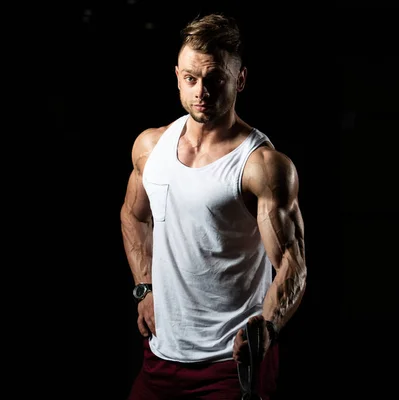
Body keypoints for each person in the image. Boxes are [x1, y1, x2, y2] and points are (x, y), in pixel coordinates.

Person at [120, 12, 307, 400]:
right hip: (162, 355)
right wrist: (144, 289)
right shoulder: (150, 148)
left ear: (239, 80)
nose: (201, 90)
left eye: (214, 79)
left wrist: (267, 327)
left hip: (231, 362)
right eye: (190, 79)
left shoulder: (262, 166)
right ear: (177, 76)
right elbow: (134, 216)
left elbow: (293, 264)